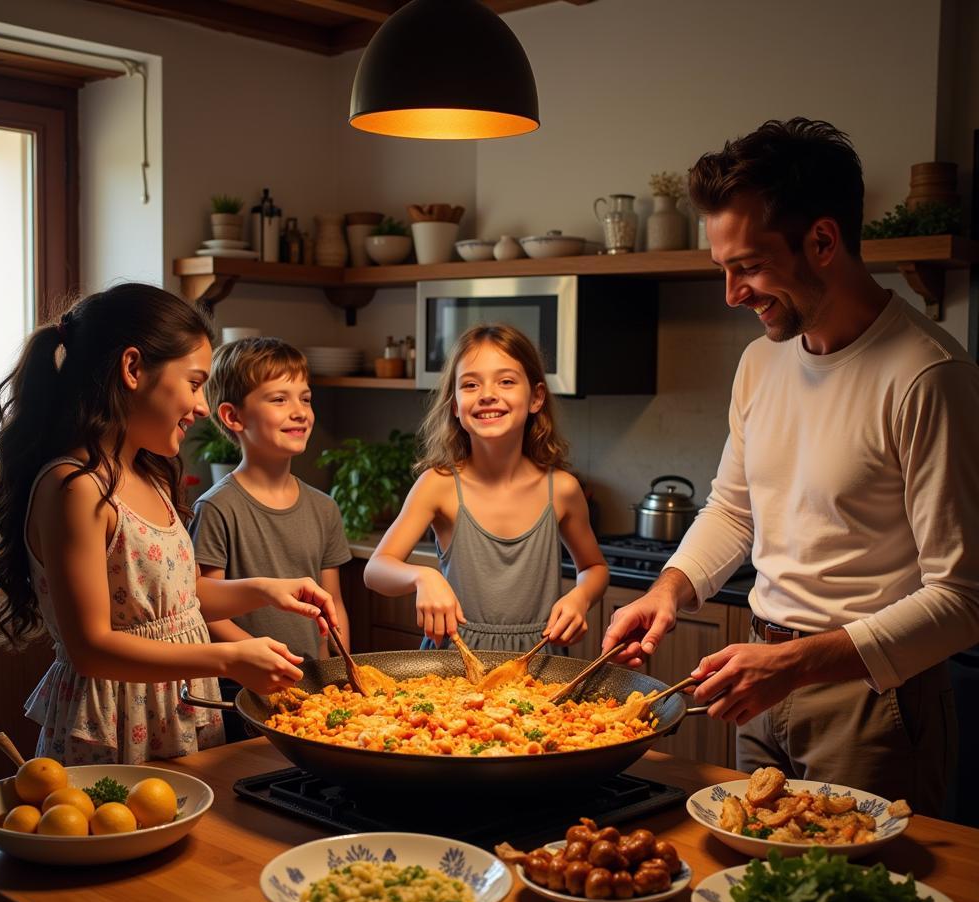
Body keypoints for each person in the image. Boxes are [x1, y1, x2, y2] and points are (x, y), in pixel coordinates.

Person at [604, 118, 979, 815]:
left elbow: (961, 602)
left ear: (824, 241)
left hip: (872, 702)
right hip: (760, 677)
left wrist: (794, 665)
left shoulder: (929, 376)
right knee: (757, 891)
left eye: (746, 266)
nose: (731, 293)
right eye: (723, 268)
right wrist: (669, 590)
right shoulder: (761, 360)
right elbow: (733, 509)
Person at [0, 283, 338, 766]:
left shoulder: (147, 475)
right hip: (115, 725)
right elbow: (92, 648)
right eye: (193, 383)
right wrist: (229, 658)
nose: (204, 406)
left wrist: (268, 590)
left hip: (178, 713)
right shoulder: (75, 486)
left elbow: (177, 601)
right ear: (132, 370)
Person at [365, 323, 608, 652]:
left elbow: (594, 568)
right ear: (455, 406)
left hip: (539, 665)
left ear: (536, 397)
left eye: (506, 381)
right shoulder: (439, 485)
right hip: (452, 668)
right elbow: (376, 569)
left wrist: (581, 597)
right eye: (470, 384)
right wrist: (424, 577)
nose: (487, 394)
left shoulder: (562, 490)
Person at [188, 336, 351, 667]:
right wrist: (266, 659)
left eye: (305, 399)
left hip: (312, 684)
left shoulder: (324, 508)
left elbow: (333, 602)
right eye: (279, 399)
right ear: (234, 417)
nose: (299, 412)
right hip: (246, 685)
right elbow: (206, 610)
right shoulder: (218, 508)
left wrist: (338, 670)